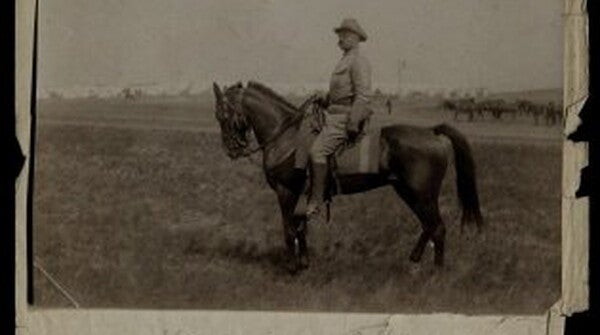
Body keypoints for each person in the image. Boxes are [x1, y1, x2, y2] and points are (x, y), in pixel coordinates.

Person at [306, 18, 373, 223]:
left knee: (317, 151)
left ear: (355, 38)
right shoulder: (344, 60)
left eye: (345, 34)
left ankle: (316, 200)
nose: (340, 38)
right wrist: (324, 98)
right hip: (333, 114)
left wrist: (353, 121)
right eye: (340, 34)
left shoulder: (358, 61)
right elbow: (340, 95)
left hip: (344, 118)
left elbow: (363, 96)